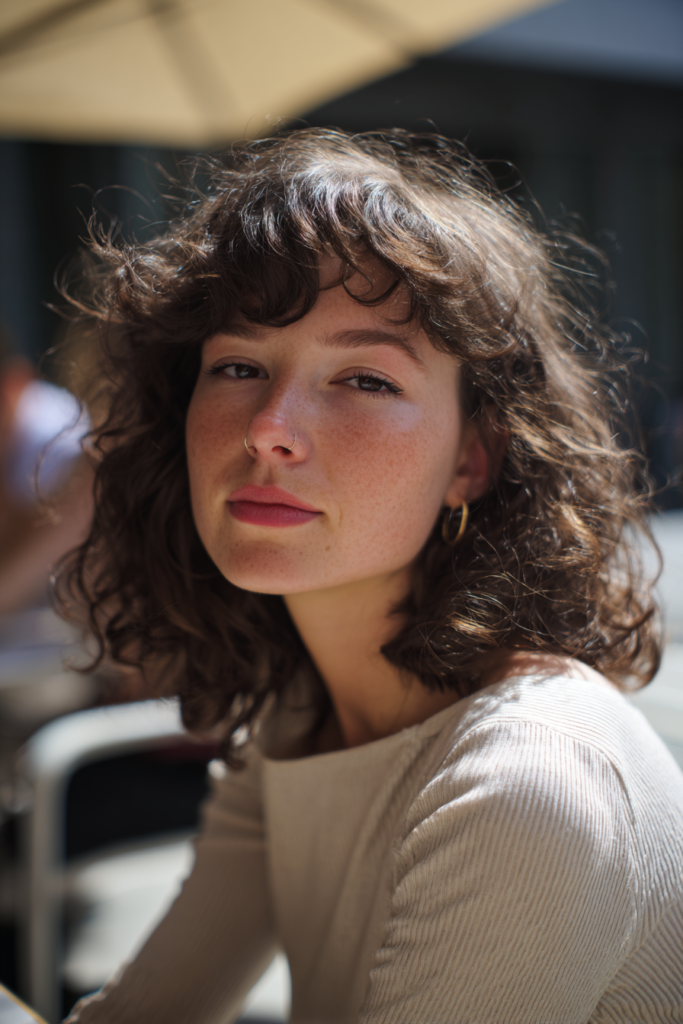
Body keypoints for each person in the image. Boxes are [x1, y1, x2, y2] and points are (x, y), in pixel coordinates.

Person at [58, 129, 683, 1024]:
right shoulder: (303, 713)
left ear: (473, 457)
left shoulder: (525, 786)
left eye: (362, 379)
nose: (269, 427)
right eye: (237, 366)